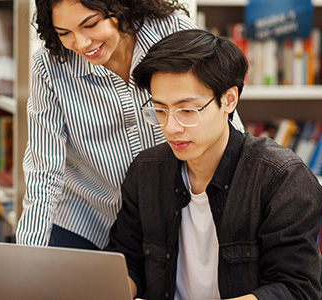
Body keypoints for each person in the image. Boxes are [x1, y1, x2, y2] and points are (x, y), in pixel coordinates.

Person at [104, 29, 322, 300]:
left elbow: (295, 290)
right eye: (160, 110)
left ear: (228, 100)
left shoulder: (281, 178)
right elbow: (128, 263)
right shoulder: (147, 171)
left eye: (187, 110)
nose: (171, 127)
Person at [16, 0, 245, 250]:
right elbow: (44, 170)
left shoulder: (171, 30)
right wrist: (27, 257)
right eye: (64, 33)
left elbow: (222, 121)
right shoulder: (49, 68)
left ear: (120, 8)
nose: (81, 44)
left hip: (171, 214)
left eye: (90, 24)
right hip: (87, 217)